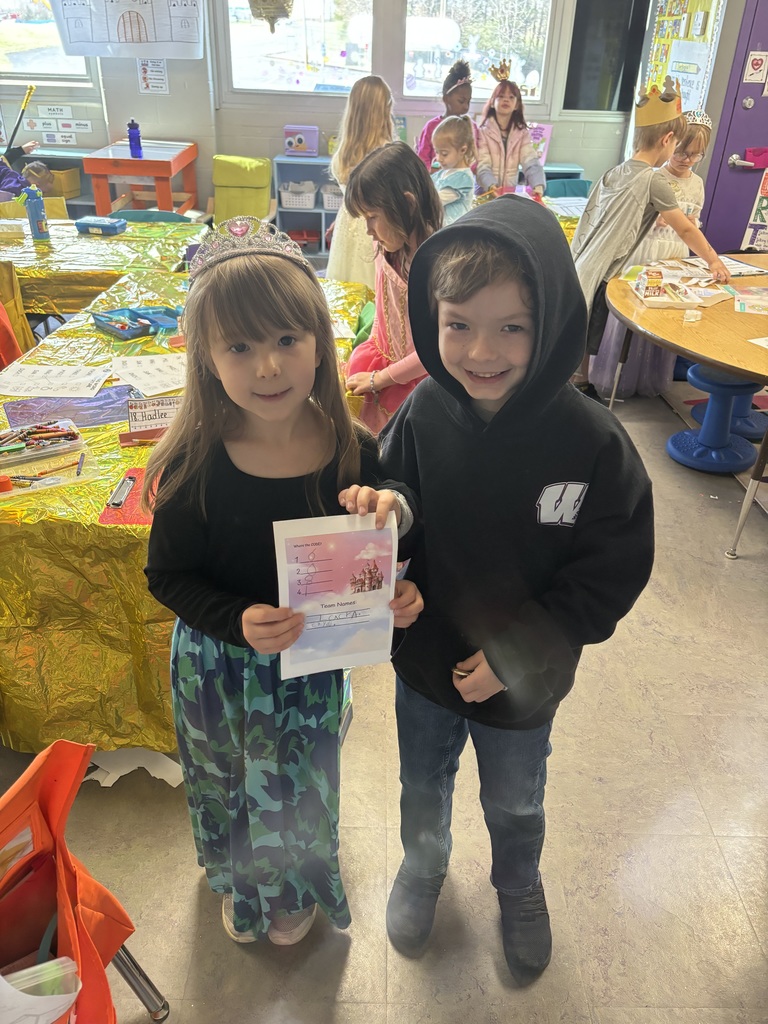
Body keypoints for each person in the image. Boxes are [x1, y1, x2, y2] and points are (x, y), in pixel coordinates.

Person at [378, 195, 654, 983]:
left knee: (516, 800)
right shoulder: (424, 410)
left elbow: (611, 570)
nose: (481, 351)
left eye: (512, 327)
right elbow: (394, 489)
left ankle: (517, 884)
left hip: (524, 681)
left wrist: (517, 654)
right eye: (458, 323)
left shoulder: (592, 441)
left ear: (553, 325)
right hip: (426, 667)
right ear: (432, 317)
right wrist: (389, 520)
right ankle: (422, 868)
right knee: (422, 786)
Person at [142, 216, 424, 946]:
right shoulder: (195, 464)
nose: (268, 367)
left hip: (310, 669)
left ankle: (295, 885)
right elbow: (167, 575)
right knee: (228, 780)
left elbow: (393, 515)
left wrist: (393, 522)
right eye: (240, 346)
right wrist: (234, 619)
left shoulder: (348, 447)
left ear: (320, 343)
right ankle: (241, 882)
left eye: (286, 340)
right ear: (206, 357)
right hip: (218, 669)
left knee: (303, 783)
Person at [571, 79, 728, 397]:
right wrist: (712, 259)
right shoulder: (654, 181)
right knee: (590, 333)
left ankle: (579, 382)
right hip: (604, 270)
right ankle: (578, 390)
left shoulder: (613, 171)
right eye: (676, 146)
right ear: (668, 139)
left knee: (583, 332)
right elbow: (685, 228)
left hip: (585, 262)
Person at [344, 141, 443, 433]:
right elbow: (383, 318)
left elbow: (433, 351)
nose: (368, 230)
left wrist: (379, 379)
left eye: (372, 216)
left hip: (417, 381)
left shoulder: (436, 266)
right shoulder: (385, 247)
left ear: (408, 204)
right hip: (382, 364)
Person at [326, 75, 395, 290]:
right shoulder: (386, 153)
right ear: (382, 111)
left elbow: (350, 197)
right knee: (371, 285)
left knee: (345, 284)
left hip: (348, 222)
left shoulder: (344, 152)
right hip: (373, 226)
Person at [476, 67, 544, 197]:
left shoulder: (522, 133)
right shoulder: (483, 131)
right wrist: (491, 186)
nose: (506, 100)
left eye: (511, 97)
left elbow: (530, 161)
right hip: (485, 193)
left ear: (517, 104)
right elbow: (482, 165)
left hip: (508, 193)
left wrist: (538, 184)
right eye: (501, 96)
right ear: (492, 102)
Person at [416, 59, 480, 172]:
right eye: (461, 101)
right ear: (446, 99)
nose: (466, 107)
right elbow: (422, 158)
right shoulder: (431, 126)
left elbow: (477, 157)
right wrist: (432, 171)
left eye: (468, 102)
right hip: (436, 183)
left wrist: (466, 170)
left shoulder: (472, 127)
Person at [430, 115, 476, 226]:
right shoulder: (441, 174)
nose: (439, 158)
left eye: (444, 153)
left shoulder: (463, 178)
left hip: (455, 231)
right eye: (437, 152)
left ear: (462, 150)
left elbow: (436, 201)